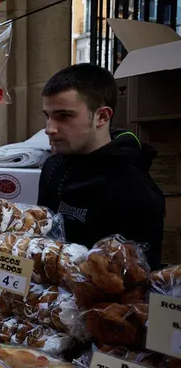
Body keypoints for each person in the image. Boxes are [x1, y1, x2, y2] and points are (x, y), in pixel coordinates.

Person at [39, 63, 165, 268]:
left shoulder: (134, 186)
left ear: (102, 116)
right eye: (48, 116)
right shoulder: (52, 167)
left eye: (64, 116)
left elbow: (136, 278)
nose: (49, 129)